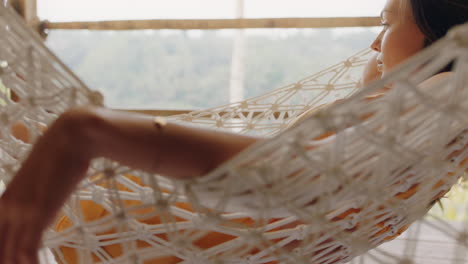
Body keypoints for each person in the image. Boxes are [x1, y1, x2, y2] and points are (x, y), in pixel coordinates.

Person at [0, 0, 467, 263]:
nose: (373, 42)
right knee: (18, 112)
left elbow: (280, 176)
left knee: (19, 119)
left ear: (444, 36)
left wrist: (85, 129)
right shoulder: (431, 113)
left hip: (154, 236)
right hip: (177, 230)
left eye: (386, 22)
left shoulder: (445, 93)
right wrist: (379, 75)